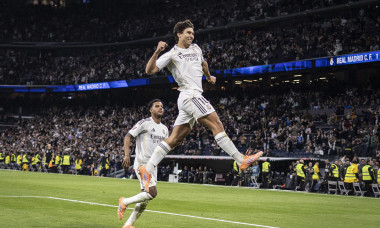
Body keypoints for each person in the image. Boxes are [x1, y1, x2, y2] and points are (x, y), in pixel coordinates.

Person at [139, 20, 263, 192]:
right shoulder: (171, 54)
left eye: (192, 33)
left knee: (175, 139)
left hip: (190, 98)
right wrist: (158, 51)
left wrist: (209, 76)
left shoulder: (196, 48)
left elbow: (203, 63)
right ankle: (241, 160)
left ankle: (148, 167)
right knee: (216, 125)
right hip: (190, 95)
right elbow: (149, 70)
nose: (191, 35)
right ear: (179, 34)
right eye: (188, 32)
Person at [117, 99, 169, 228]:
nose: (160, 108)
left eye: (162, 106)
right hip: (143, 163)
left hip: (153, 165)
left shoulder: (164, 129)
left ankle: (128, 225)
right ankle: (124, 201)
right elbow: (128, 136)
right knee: (152, 193)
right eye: (157, 106)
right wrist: (127, 155)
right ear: (151, 110)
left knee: (145, 199)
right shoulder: (144, 123)